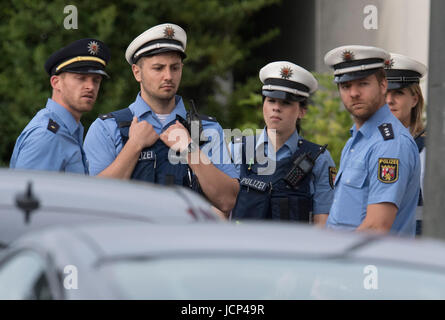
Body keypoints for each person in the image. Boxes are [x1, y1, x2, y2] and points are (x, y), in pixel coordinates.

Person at [84, 23, 239, 214]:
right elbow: (94, 201)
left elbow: (227, 200)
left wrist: (190, 149)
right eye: (158, 68)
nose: (168, 76)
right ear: (137, 72)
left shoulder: (208, 128)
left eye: (175, 68)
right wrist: (134, 146)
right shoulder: (107, 128)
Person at [324, 45, 420, 237]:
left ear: (383, 84)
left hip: (368, 264)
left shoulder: (390, 144)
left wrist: (331, 260)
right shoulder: (357, 140)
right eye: (346, 86)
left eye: (363, 83)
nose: (354, 93)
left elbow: (376, 227)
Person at [230, 61, 336, 225]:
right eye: (271, 101)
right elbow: (221, 210)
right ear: (263, 105)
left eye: (286, 103)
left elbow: (323, 223)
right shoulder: (237, 149)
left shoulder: (319, 159)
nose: (276, 108)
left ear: (302, 111)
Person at [10, 39, 110, 173]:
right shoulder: (47, 136)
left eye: (96, 80)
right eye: (80, 78)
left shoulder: (64, 131)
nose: (90, 87)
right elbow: (30, 192)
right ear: (56, 83)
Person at [385, 53, 427, 236]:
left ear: (414, 99)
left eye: (398, 93)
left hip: (414, 253)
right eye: (385, 92)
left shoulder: (426, 150)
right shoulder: (364, 144)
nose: (389, 100)